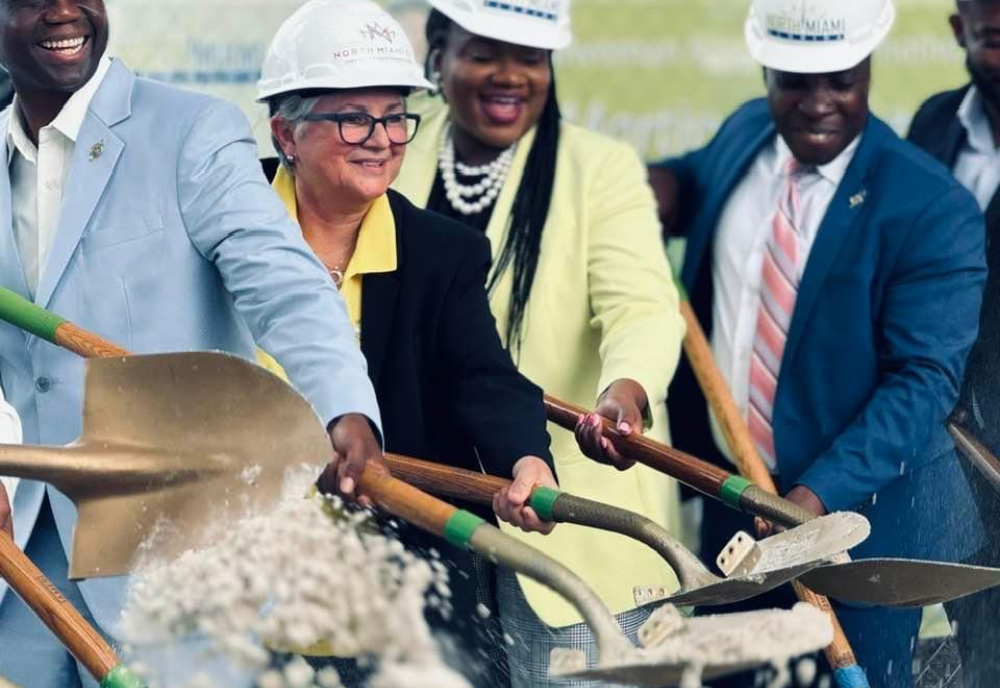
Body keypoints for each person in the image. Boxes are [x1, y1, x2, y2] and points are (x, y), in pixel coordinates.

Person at [0, 1, 386, 686]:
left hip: (176, 558)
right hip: (24, 563)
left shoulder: (190, 130)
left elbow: (284, 282)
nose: (64, 10)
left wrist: (342, 407)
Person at [648, 1, 989, 686]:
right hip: (736, 502)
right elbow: (689, 181)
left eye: (840, 80)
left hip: (855, 534)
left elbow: (922, 382)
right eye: (795, 81)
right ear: (766, 70)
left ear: (867, 68)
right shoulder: (746, 132)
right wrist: (654, 188)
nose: (817, 103)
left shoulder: (928, 205)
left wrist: (813, 497)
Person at [256, 1, 558, 683]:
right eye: (354, 117)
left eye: (394, 116)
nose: (382, 138)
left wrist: (526, 456)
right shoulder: (225, 228)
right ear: (286, 133)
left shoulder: (439, 253)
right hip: (242, 594)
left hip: (395, 598)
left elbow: (483, 377)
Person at [393, 1, 687, 685]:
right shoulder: (391, 150)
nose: (510, 76)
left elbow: (643, 308)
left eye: (531, 57)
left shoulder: (601, 169)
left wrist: (626, 394)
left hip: (573, 531)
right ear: (437, 53)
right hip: (425, 518)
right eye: (485, 52)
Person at [907, 2, 1000, 685]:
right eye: (994, 34)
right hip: (959, 464)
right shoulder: (934, 126)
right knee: (980, 649)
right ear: (958, 28)